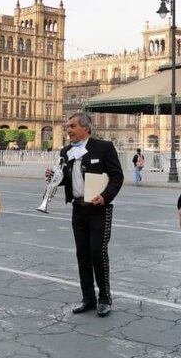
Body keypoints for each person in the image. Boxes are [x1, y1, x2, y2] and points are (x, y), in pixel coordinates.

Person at [46, 113, 123, 318]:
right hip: (78, 208)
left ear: (85, 128)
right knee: (82, 255)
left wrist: (105, 196)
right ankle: (88, 299)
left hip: (99, 209)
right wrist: (54, 177)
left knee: (98, 253)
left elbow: (117, 177)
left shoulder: (103, 147)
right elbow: (65, 178)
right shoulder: (66, 150)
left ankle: (105, 298)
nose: (68, 130)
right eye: (66, 127)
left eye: (72, 126)